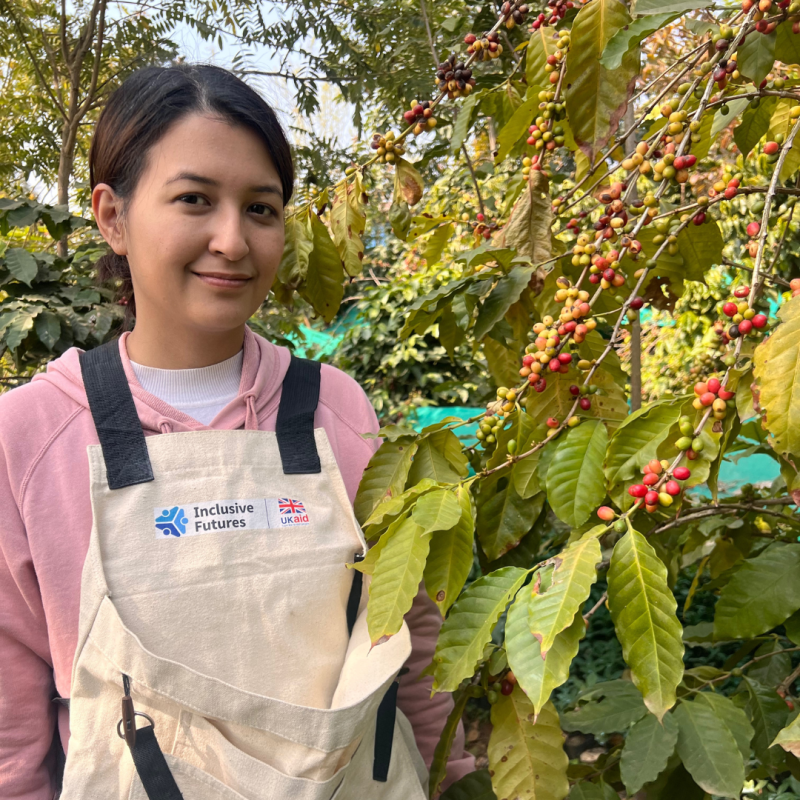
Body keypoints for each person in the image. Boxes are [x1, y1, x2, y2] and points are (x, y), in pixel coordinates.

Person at [0, 63, 473, 799]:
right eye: (194, 199)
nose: (232, 240)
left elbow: (408, 645)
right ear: (112, 217)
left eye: (261, 208)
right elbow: (12, 723)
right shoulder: (31, 436)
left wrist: (458, 781)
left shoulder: (337, 413)